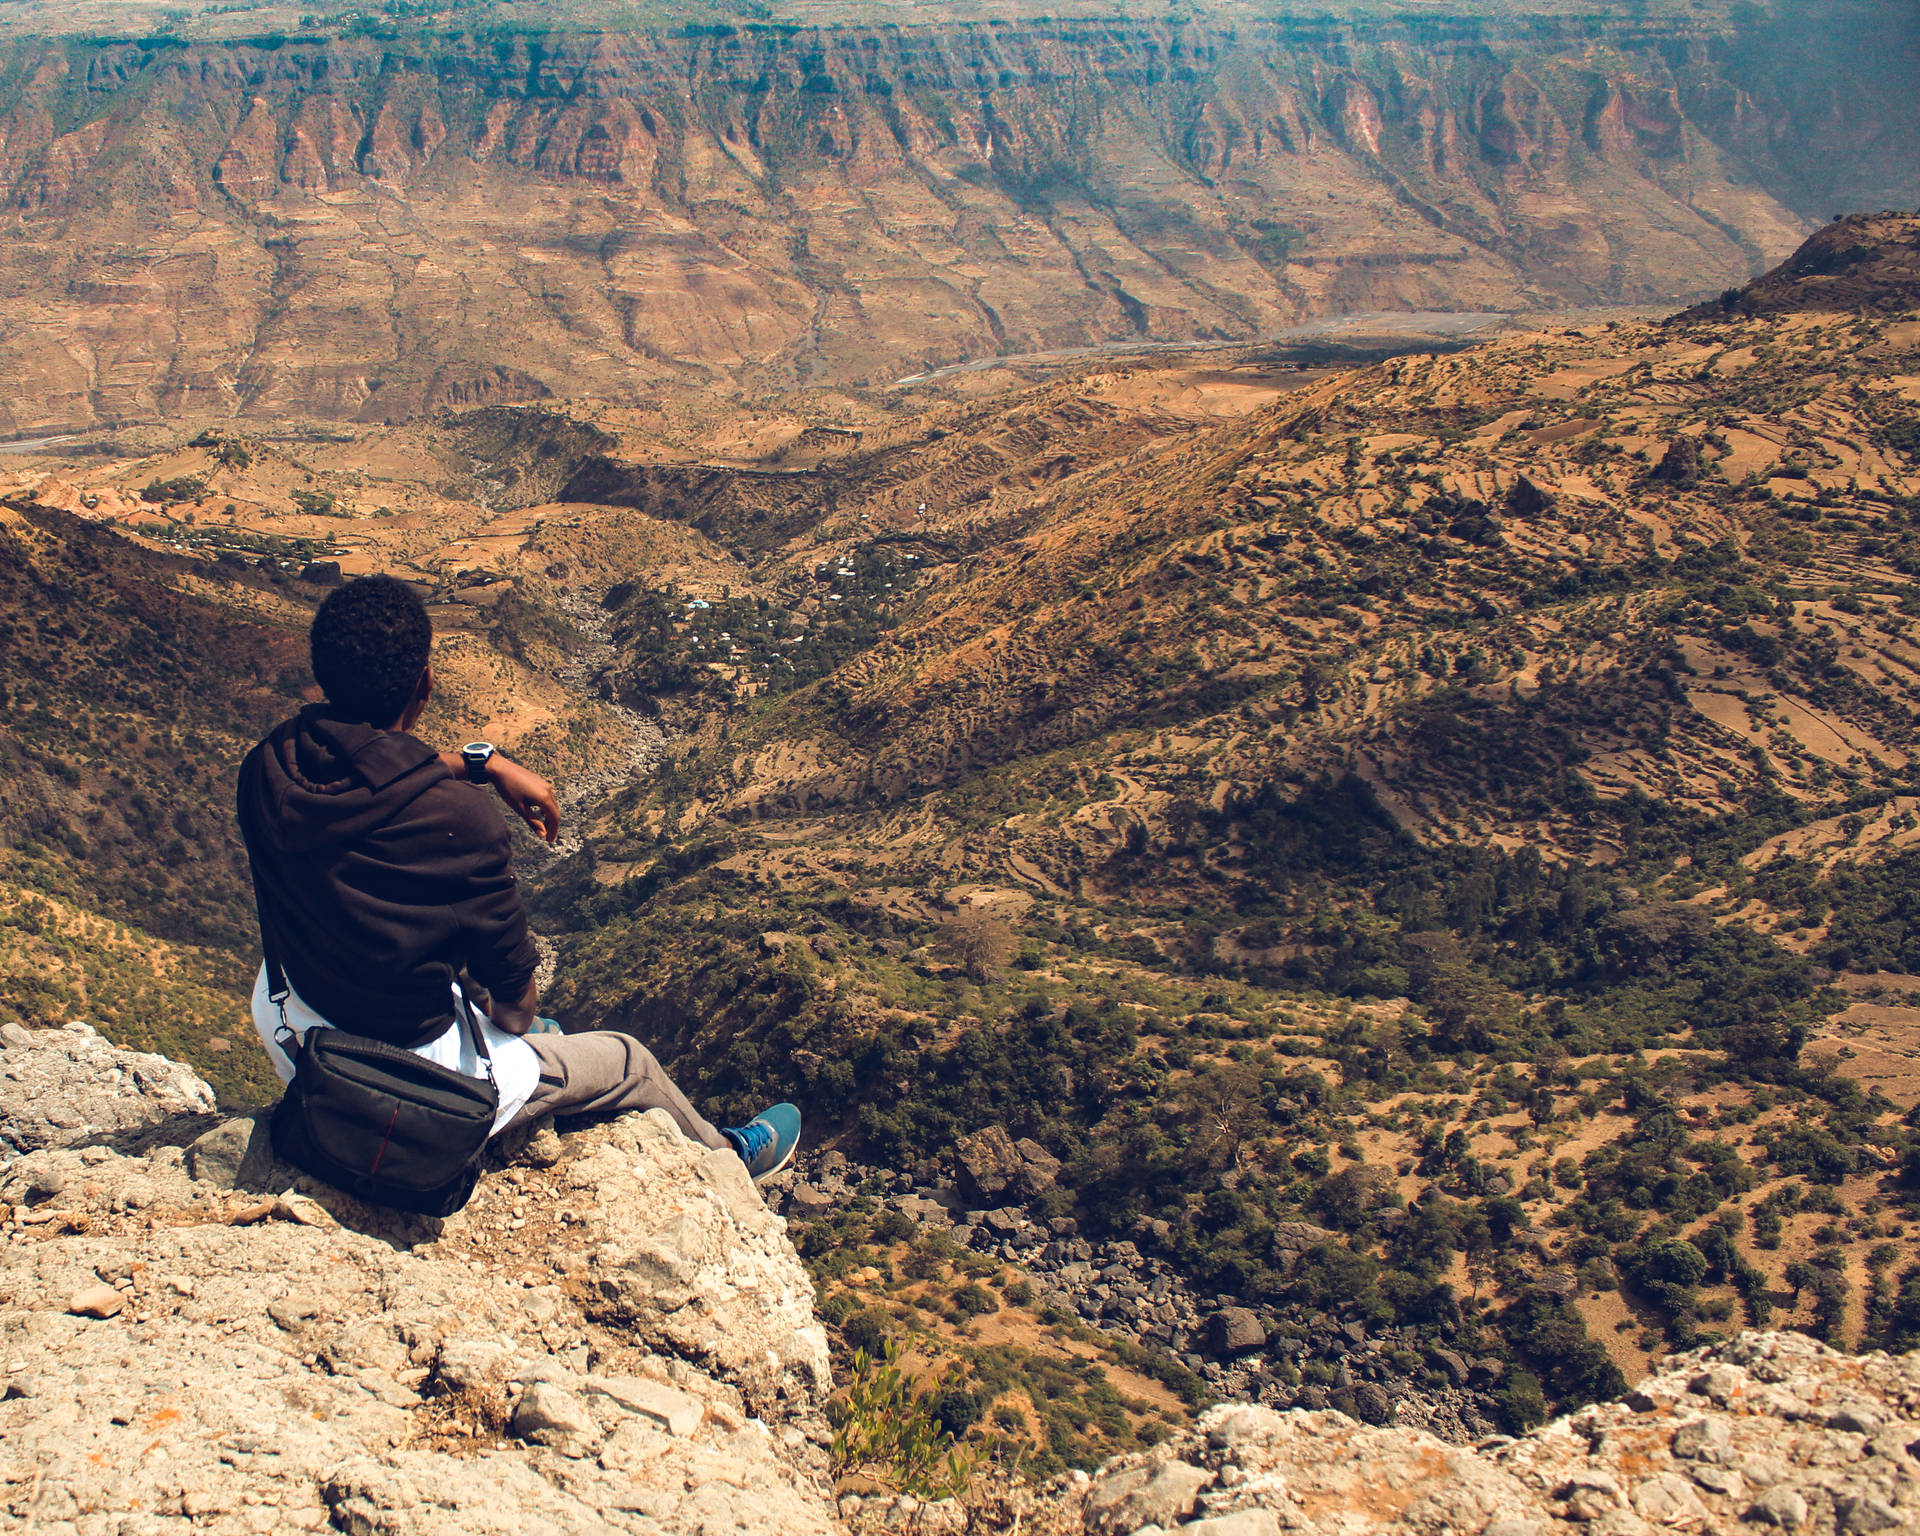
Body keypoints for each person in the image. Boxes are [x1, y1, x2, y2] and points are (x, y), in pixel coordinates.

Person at [235, 573, 799, 1180]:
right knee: (625, 1059)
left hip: (296, 1024)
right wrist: (519, 1024)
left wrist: (482, 763)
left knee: (485, 998)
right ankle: (730, 1160)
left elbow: (380, 773)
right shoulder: (459, 826)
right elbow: (514, 1010)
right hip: (407, 1081)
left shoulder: (271, 767)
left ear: (323, 673)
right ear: (424, 682)